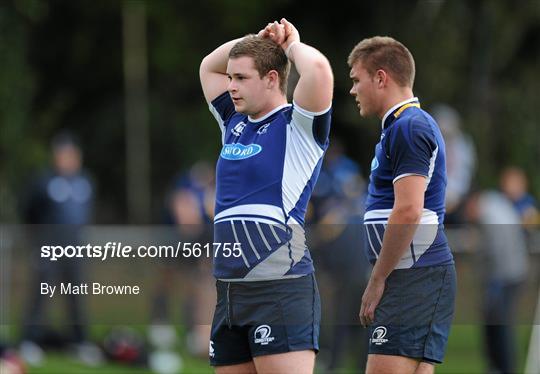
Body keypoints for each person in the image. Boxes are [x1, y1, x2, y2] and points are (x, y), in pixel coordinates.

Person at [199, 18, 333, 373]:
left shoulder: (298, 126)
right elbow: (207, 66)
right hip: (229, 292)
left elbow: (318, 70)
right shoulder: (234, 123)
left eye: (241, 78)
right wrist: (254, 41)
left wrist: (289, 46)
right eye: (230, 78)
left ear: (272, 78)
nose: (230, 86)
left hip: (279, 289)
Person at [347, 36, 456, 374]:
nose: (352, 90)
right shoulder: (399, 127)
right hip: (413, 276)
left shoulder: (409, 126)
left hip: (414, 277)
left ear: (381, 78)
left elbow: (409, 210)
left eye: (356, 79)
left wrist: (377, 279)